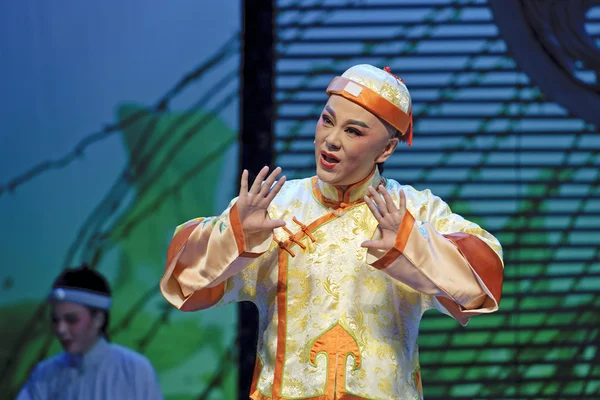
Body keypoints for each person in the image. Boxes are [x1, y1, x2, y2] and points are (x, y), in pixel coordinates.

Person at [159, 64, 504, 400]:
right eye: (327, 120)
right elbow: (183, 283)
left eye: (353, 131)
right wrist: (236, 235)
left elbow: (483, 282)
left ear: (386, 149)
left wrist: (409, 242)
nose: (330, 140)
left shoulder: (410, 211)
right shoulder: (275, 207)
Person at [17, 265, 163, 400]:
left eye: (71, 320)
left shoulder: (134, 370)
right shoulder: (44, 374)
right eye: (56, 320)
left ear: (98, 319)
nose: (60, 330)